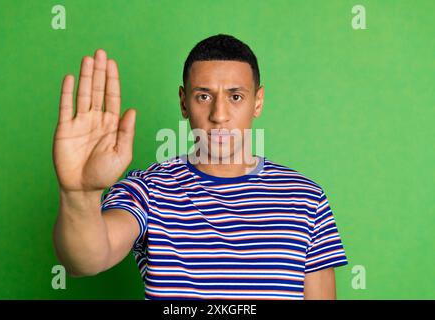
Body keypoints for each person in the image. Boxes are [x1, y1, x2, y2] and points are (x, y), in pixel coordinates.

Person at [52, 34, 348, 300]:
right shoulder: (147, 190)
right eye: (203, 96)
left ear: (257, 102)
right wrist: (79, 194)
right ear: (184, 103)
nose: (219, 115)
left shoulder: (305, 197)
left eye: (235, 97)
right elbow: (86, 260)